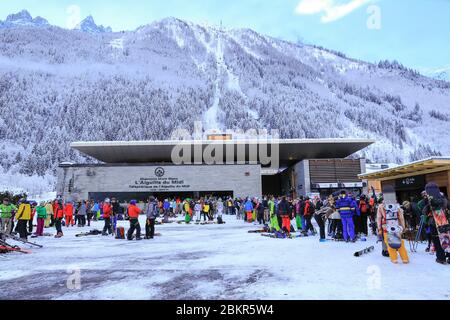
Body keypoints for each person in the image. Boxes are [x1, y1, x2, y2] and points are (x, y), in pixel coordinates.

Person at [377, 197, 409, 264]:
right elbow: (401, 218)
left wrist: (379, 228)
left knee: (389, 243)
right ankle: (405, 259)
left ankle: (394, 259)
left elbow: (379, 218)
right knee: (400, 242)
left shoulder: (381, 206)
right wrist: (403, 227)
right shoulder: (397, 206)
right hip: (396, 226)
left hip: (386, 226)